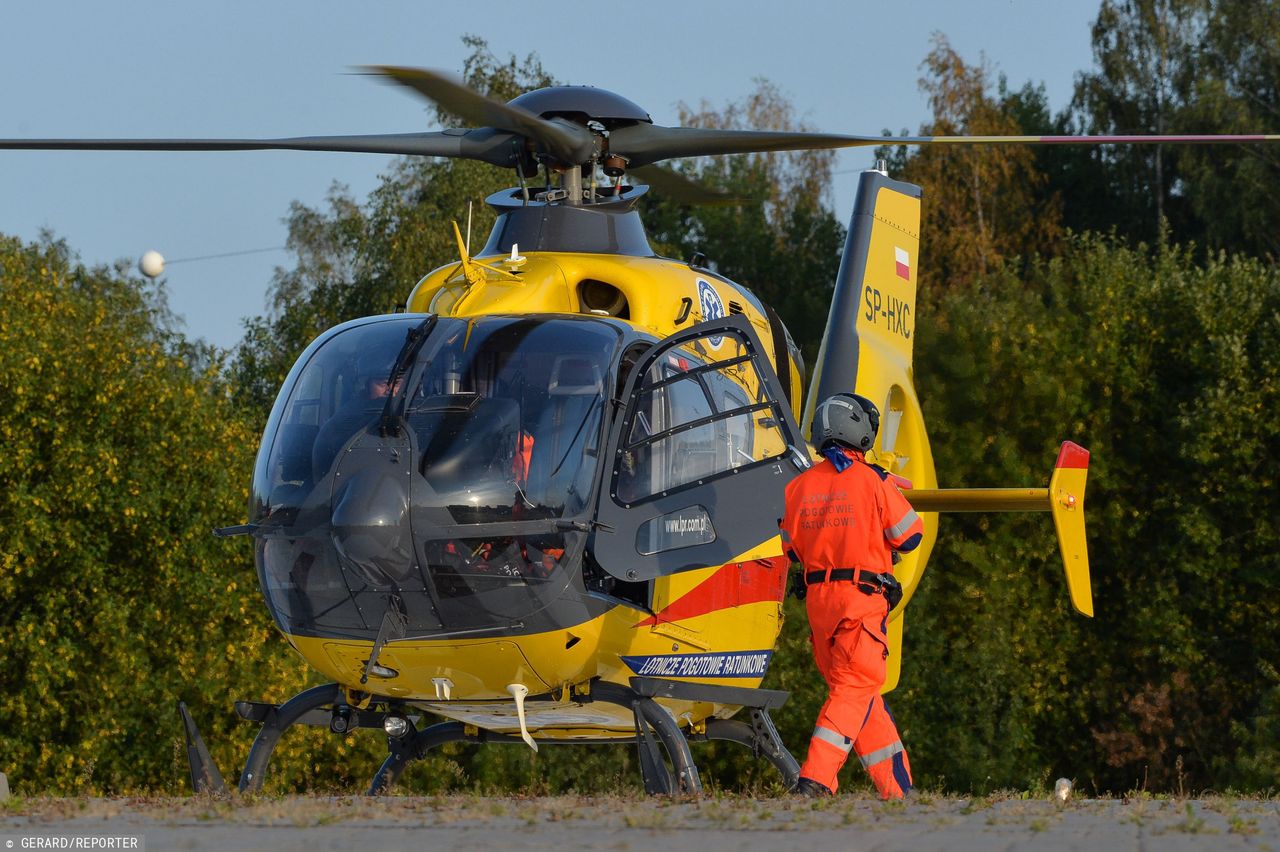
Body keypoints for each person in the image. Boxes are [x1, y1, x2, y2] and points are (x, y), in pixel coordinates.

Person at [780, 392, 923, 800]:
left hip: (819, 605)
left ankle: (899, 791)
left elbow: (791, 548)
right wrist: (891, 489)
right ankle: (815, 780)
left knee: (859, 696)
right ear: (857, 430)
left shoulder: (798, 487)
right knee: (855, 689)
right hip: (860, 601)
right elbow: (910, 534)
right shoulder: (873, 480)